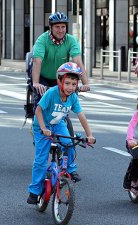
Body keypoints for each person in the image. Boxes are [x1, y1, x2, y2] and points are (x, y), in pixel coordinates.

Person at [27, 62, 95, 204]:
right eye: (67, 83)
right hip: (42, 126)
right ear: (59, 81)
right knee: (41, 159)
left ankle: (70, 169)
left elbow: (81, 115)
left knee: (69, 144)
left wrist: (90, 135)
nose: (70, 87)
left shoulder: (73, 97)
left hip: (58, 125)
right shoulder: (52, 93)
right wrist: (43, 128)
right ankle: (34, 191)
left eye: (74, 84)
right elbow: (38, 111)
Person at [31, 12, 90, 113]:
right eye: (57, 27)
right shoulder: (42, 40)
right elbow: (37, 61)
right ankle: (36, 127)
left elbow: (78, 61)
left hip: (61, 77)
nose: (60, 30)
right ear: (50, 27)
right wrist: (36, 83)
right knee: (40, 105)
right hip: (43, 78)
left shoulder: (71, 40)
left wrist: (85, 83)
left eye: (63, 27)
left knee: (65, 104)